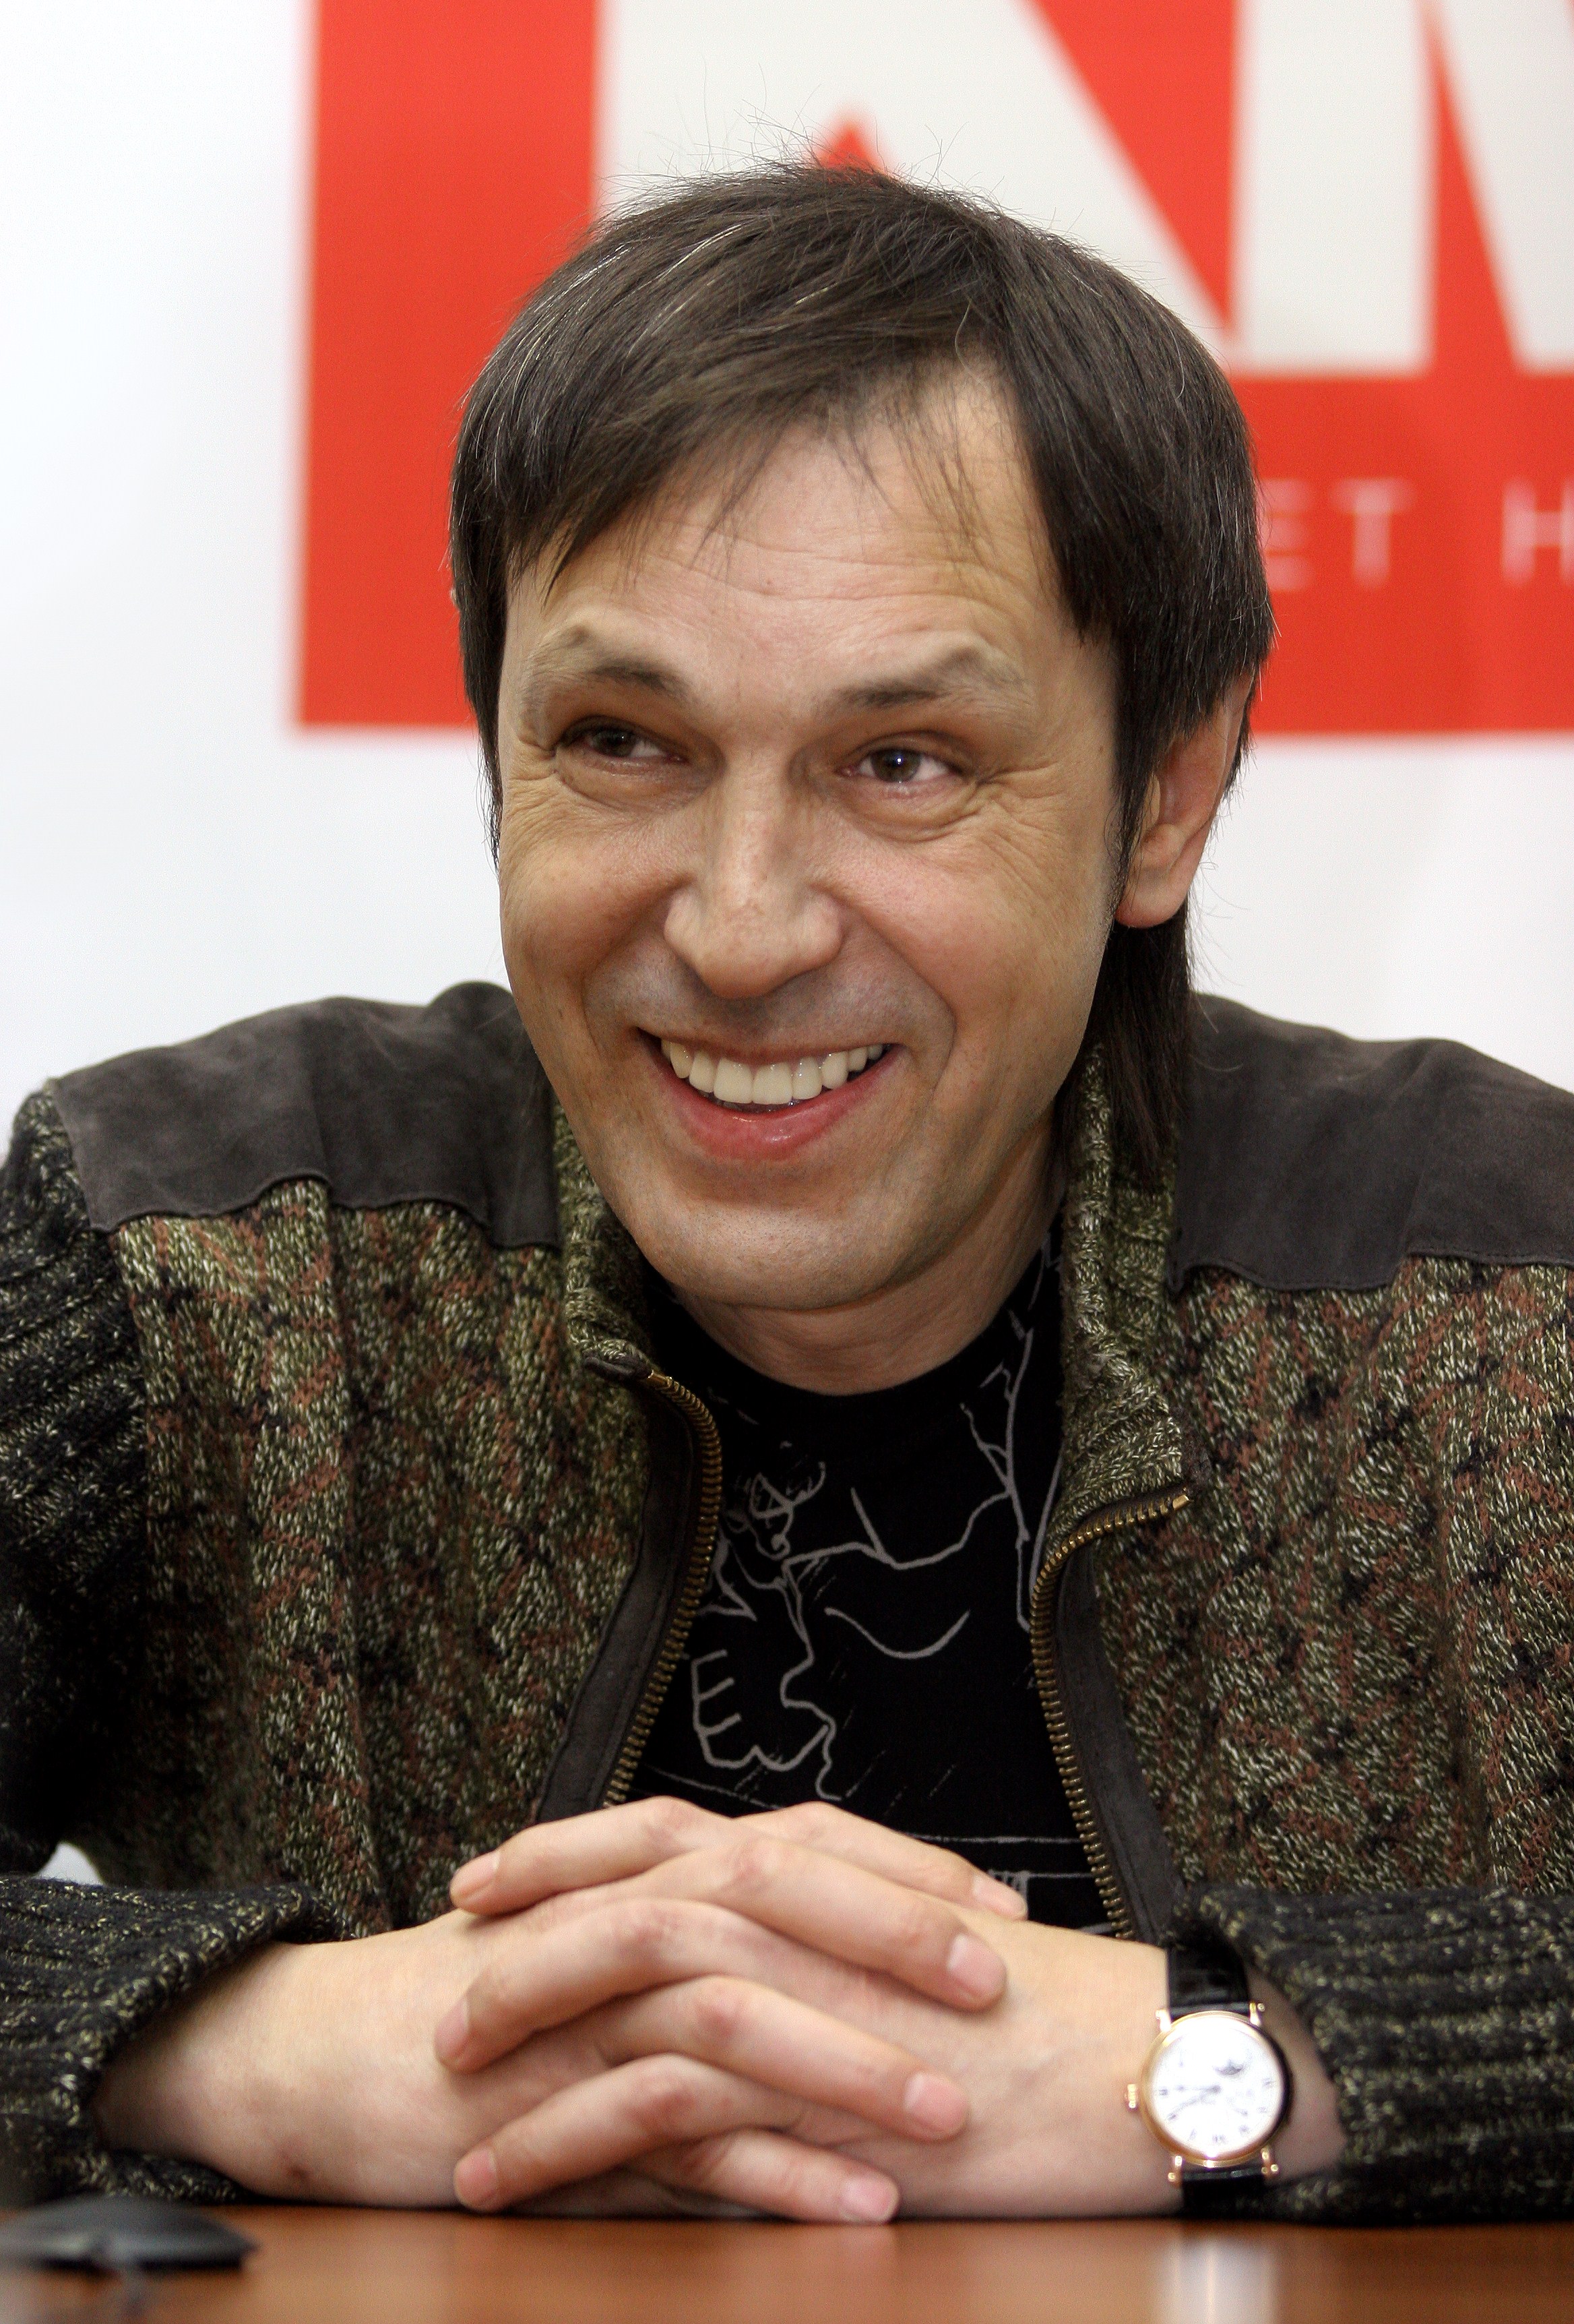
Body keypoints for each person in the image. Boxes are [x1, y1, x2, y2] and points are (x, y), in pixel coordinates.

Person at [3, 162, 1573, 2226]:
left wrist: (1223, 2060)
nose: (741, 930)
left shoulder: (1505, 1286)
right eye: (624, 741)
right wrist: (258, 2045)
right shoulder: (194, 1251)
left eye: (902, 761)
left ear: (1166, 797)